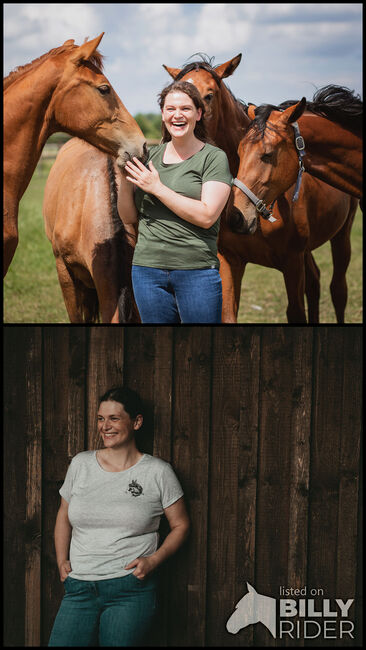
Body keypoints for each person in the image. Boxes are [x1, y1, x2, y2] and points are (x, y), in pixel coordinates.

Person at [48, 386, 189, 647]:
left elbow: (180, 525)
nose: (105, 426)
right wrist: (61, 560)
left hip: (129, 590)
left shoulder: (157, 472)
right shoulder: (81, 464)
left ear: (136, 422)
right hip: (79, 587)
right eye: (101, 419)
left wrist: (153, 561)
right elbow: (64, 515)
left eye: (114, 418)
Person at [117, 80, 233, 323]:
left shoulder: (213, 158)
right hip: (147, 272)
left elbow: (206, 216)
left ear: (199, 114)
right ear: (163, 114)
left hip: (196, 272)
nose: (177, 115)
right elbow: (129, 218)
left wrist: (157, 188)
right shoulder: (150, 157)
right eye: (170, 109)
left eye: (185, 109)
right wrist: (124, 183)